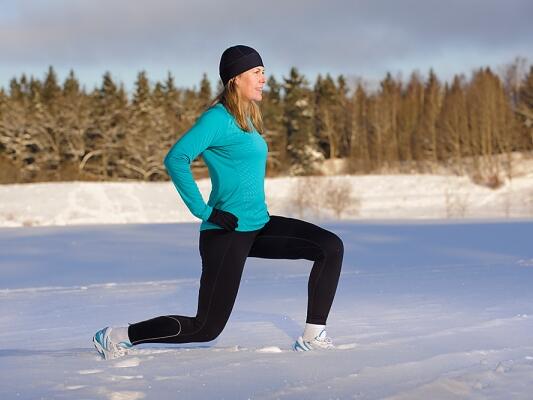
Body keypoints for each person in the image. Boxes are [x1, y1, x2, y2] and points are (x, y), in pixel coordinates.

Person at [93, 45, 344, 360]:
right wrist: (204, 211)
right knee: (205, 328)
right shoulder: (217, 118)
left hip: (258, 225)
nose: (264, 78)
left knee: (329, 247)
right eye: (256, 72)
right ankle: (117, 336)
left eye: (263, 71)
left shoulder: (246, 118)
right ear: (236, 78)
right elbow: (176, 159)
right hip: (226, 233)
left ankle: (313, 335)